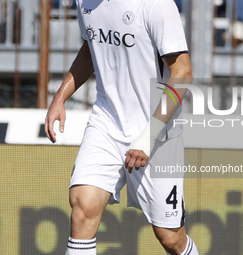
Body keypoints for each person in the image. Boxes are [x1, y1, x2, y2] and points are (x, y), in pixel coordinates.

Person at [45, 0, 199, 254]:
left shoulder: (156, 5)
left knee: (170, 238)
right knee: (83, 208)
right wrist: (60, 98)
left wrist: (147, 138)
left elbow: (182, 72)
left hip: (156, 130)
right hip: (106, 122)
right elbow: (91, 47)